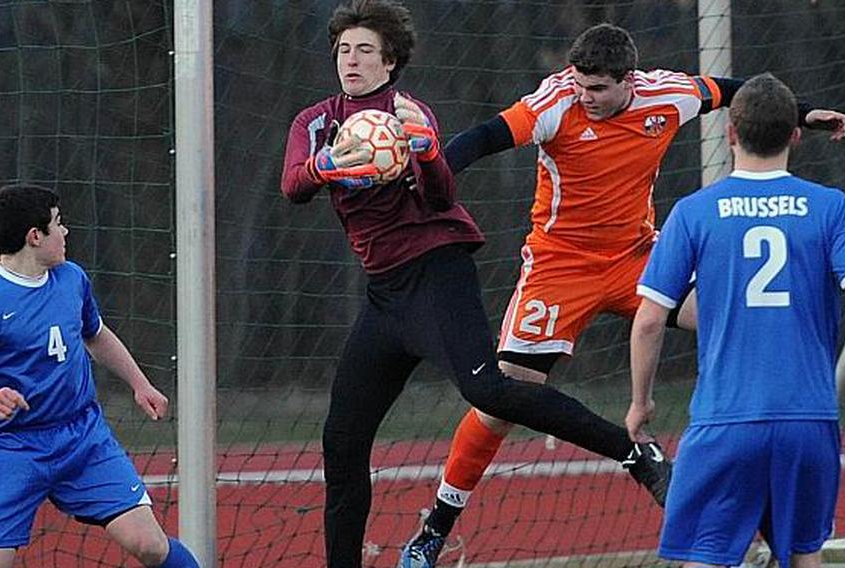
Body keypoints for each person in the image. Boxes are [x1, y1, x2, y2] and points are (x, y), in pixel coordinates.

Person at [400, 23, 845, 568]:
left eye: (597, 90)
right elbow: (482, 139)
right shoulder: (556, 101)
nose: (584, 97)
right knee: (501, 401)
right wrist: (433, 174)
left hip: (639, 258)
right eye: (580, 85)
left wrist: (805, 113)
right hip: (559, 265)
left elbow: (736, 92)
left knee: (734, 317)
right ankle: (434, 529)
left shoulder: (668, 95)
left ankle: (757, 496)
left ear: (628, 81)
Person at [280, 4, 676, 567]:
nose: (352, 60)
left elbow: (442, 196)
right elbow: (293, 184)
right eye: (344, 50)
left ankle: (633, 454)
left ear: (389, 61)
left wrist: (421, 153)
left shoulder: (410, 113)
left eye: (365, 50)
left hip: (437, 270)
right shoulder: (315, 122)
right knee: (341, 441)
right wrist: (329, 166)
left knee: (487, 391)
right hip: (384, 294)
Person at [627, 72, 845, 568]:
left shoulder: (694, 213)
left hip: (725, 420)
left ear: (730, 132)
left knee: (705, 558)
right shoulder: (833, 208)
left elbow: (649, 321)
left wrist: (640, 404)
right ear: (795, 134)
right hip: (809, 419)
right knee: (803, 556)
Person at [0, 184, 200, 568]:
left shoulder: (71, 279)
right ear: (34, 237)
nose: (65, 232)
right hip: (12, 448)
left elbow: (96, 335)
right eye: (58, 224)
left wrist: (139, 383)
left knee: (150, 544)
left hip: (83, 437)